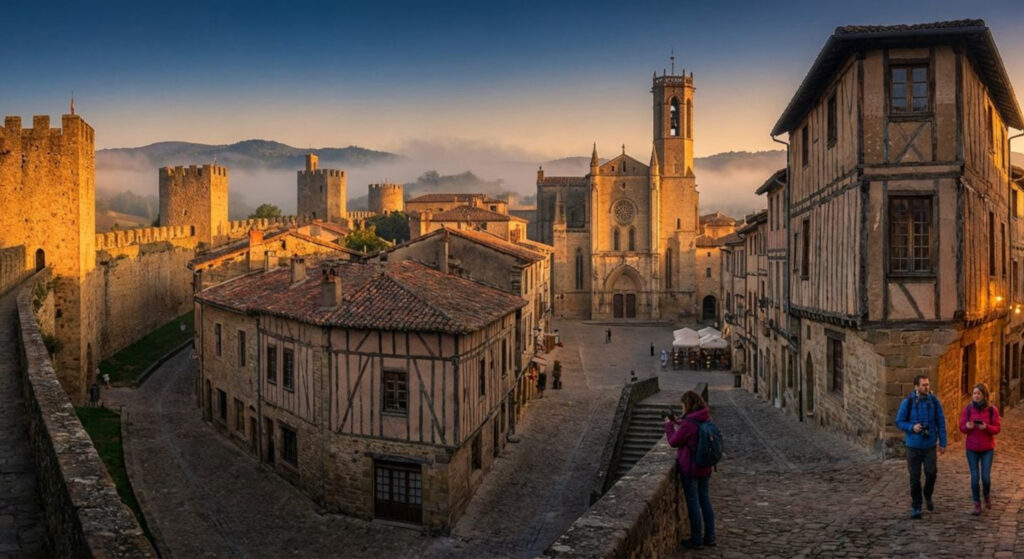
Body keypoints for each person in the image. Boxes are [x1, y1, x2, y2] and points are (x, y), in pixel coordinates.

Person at [665, 391, 716, 550]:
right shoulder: (705, 417)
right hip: (705, 467)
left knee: (693, 504)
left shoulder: (689, 423)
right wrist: (680, 422)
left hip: (691, 469)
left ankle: (696, 540)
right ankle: (710, 537)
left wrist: (669, 425)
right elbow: (694, 432)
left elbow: (674, 441)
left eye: (683, 405)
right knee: (705, 501)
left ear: (688, 404)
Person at [895, 374, 947, 519]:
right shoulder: (908, 402)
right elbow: (899, 421)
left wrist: (943, 442)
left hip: (929, 444)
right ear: (916, 387)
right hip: (913, 445)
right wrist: (912, 427)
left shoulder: (934, 402)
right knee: (914, 477)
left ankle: (928, 494)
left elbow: (941, 422)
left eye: (927, 384)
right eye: (923, 385)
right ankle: (916, 505)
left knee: (931, 473)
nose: (926, 387)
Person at [959, 382, 1000, 515]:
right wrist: (968, 426)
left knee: (986, 477)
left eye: (979, 393)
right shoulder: (968, 409)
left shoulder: (992, 410)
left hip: (987, 448)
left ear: (984, 395)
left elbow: (997, 428)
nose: (976, 396)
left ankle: (986, 495)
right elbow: (962, 427)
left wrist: (986, 427)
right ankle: (977, 503)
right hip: (971, 448)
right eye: (974, 393)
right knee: (975, 477)